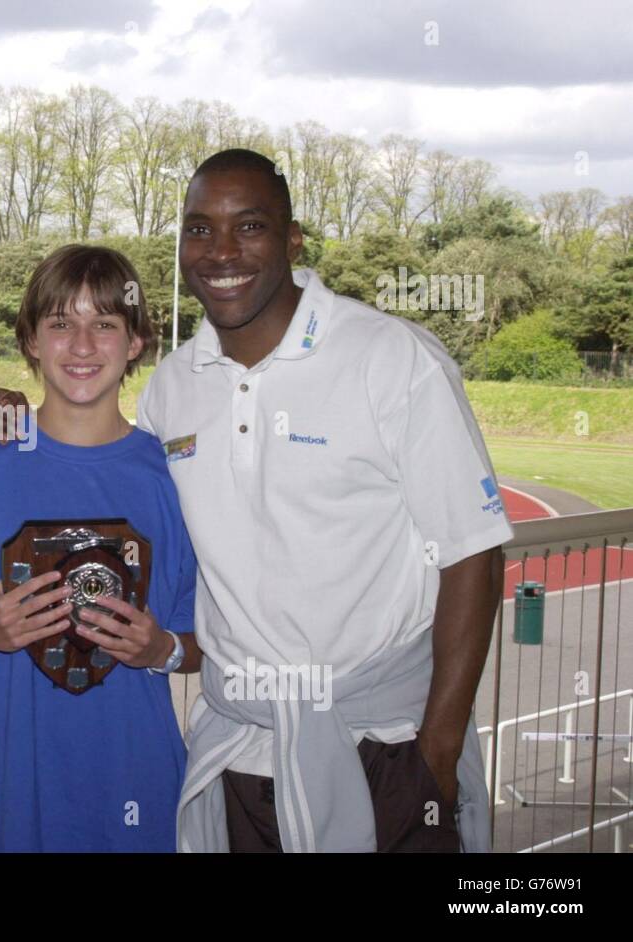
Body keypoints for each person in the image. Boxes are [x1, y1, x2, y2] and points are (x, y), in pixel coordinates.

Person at [136, 149, 512, 852]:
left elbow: (475, 554)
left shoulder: (391, 358)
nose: (221, 252)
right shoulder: (173, 385)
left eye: (248, 227)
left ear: (293, 238)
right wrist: (8, 424)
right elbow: (107, 478)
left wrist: (435, 755)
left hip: (384, 748)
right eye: (198, 229)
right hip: (240, 755)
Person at [0, 244, 202, 852]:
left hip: (136, 778)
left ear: (136, 341)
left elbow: (212, 644)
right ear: (31, 340)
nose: (82, 346)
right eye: (60, 323)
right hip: (12, 780)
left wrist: (160, 648)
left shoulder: (175, 477)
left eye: (105, 324)